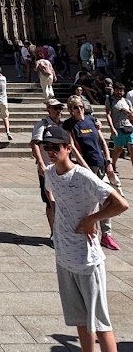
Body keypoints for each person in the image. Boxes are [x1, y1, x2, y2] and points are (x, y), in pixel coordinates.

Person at [40, 123, 128, 352]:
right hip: (64, 257)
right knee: (79, 319)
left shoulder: (84, 176)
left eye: (55, 147)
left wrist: (91, 219)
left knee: (100, 323)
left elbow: (120, 204)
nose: (50, 151)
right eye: (47, 147)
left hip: (88, 260)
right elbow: (54, 200)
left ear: (68, 148)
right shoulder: (49, 173)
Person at [64, 96, 121, 251]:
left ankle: (106, 234)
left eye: (81, 106)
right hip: (86, 168)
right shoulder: (69, 125)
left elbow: (102, 141)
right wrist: (86, 169)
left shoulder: (91, 120)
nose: (80, 110)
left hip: (101, 165)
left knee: (108, 200)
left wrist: (109, 162)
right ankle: (91, 231)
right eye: (76, 107)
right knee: (91, 202)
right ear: (70, 110)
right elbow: (73, 150)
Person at [30, 100, 67, 234]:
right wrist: (40, 163)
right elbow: (34, 143)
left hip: (63, 169)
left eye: (60, 108)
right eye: (56, 108)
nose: (59, 111)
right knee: (50, 201)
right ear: (48, 109)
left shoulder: (63, 125)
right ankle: (54, 232)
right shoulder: (42, 124)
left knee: (63, 200)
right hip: (48, 167)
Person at [105, 83, 133, 175]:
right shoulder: (110, 100)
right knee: (119, 148)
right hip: (118, 127)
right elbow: (108, 114)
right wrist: (112, 127)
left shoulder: (127, 102)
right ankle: (113, 164)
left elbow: (132, 116)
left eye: (121, 90)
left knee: (131, 148)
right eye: (117, 90)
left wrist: (128, 112)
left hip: (128, 127)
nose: (119, 92)